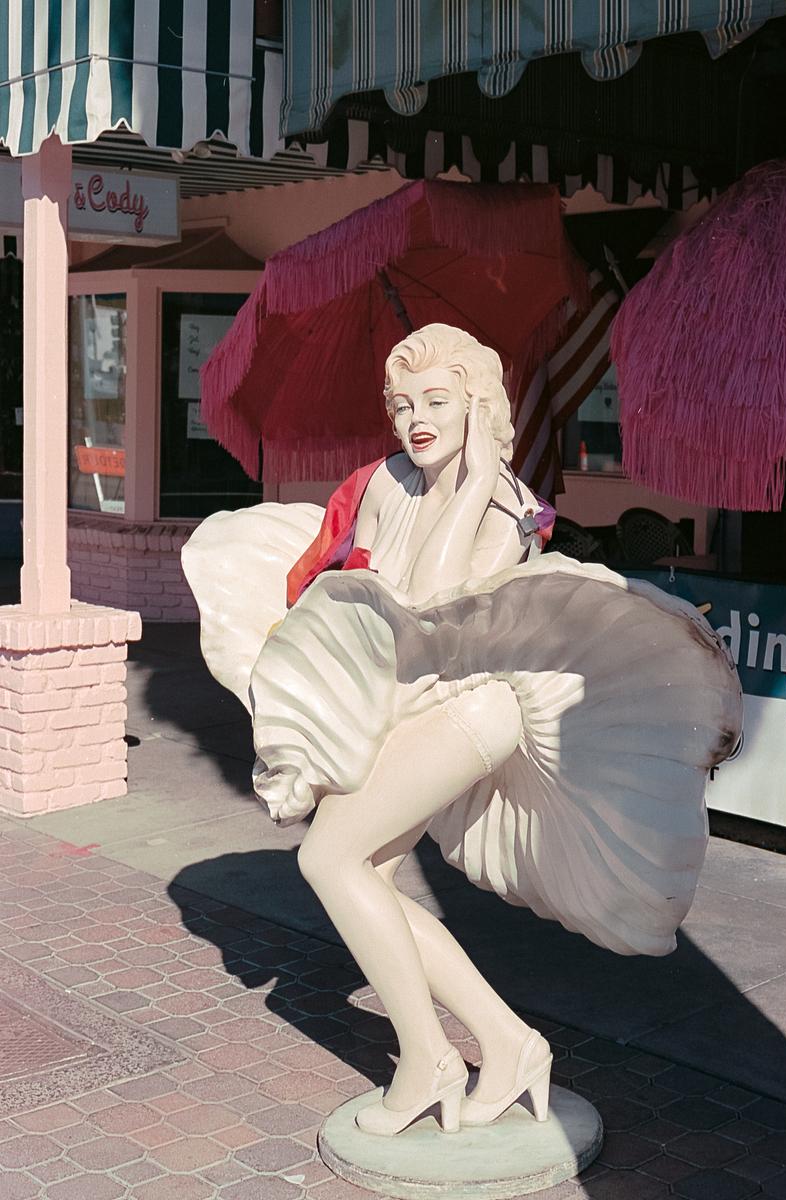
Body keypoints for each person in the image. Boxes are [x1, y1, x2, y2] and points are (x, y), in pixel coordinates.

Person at [183, 323, 742, 1138]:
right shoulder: (386, 484)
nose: (417, 419)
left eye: (438, 402)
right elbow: (385, 610)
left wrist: (477, 479)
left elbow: (433, 607)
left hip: (479, 708)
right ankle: (510, 1045)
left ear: (477, 407)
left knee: (328, 858)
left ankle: (429, 1062)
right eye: (403, 404)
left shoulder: (508, 502)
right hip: (407, 704)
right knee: (366, 876)